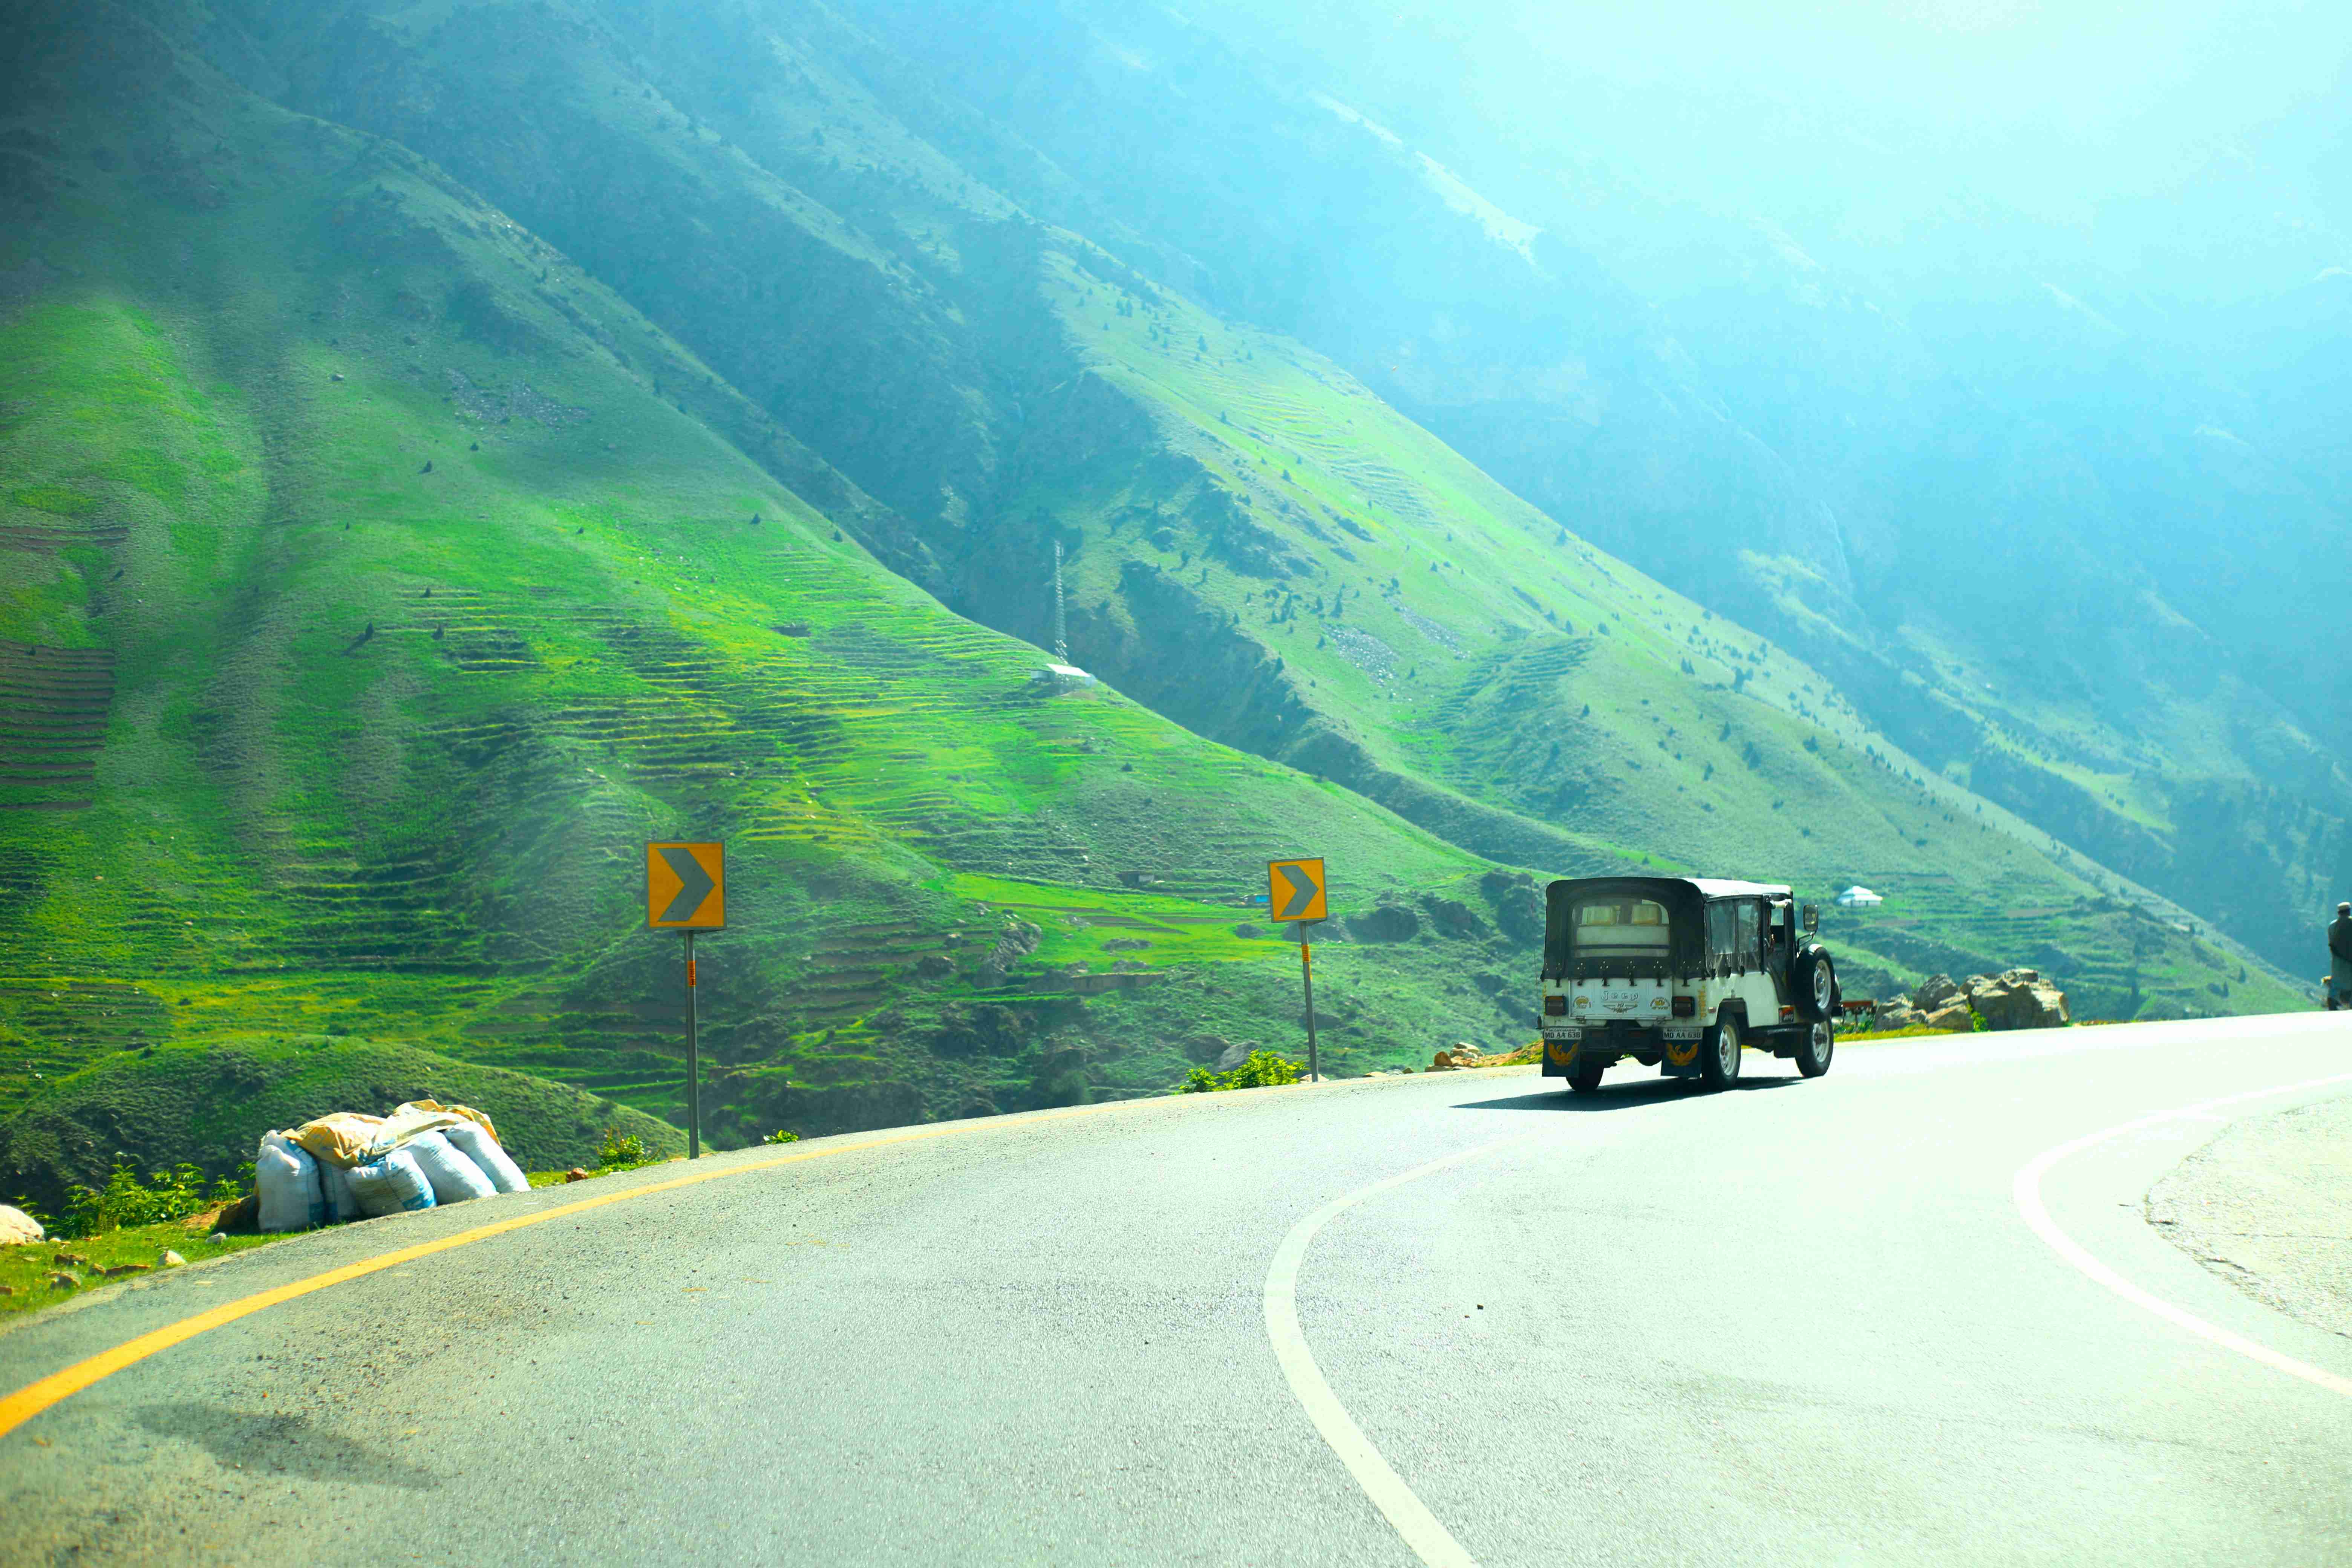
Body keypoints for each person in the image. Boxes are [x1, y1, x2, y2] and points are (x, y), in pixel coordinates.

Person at [2332, 902, 2352, 1011]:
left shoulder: (2333, 925)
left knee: (2337, 979)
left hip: (2337, 956)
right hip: (2350, 956)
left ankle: (2332, 1000)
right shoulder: (2351, 922)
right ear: (2349, 911)